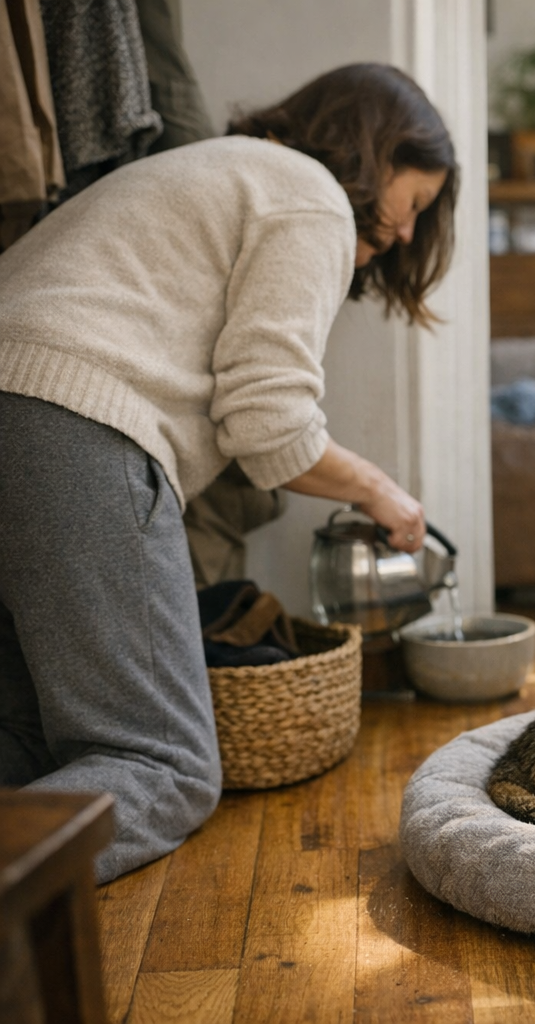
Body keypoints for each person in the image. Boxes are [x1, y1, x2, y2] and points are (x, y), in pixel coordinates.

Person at [0, 63, 459, 883]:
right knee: (163, 768)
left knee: (26, 737)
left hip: (24, 406)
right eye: (413, 205)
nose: (403, 236)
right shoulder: (308, 194)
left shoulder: (220, 168)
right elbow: (268, 426)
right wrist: (381, 491)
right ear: (374, 148)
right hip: (69, 419)